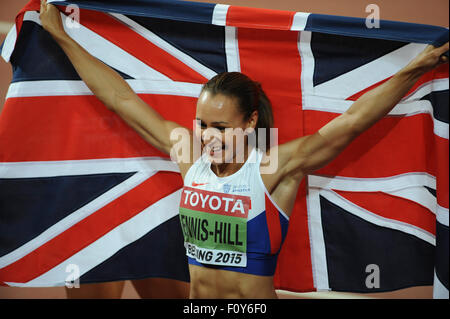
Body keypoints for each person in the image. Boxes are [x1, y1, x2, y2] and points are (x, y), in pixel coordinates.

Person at [39, 0, 449, 299]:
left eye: (220, 127)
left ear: (250, 122)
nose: (207, 136)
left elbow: (354, 121)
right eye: (201, 124)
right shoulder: (188, 156)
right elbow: (120, 98)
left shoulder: (274, 167)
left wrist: (412, 70)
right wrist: (62, 37)